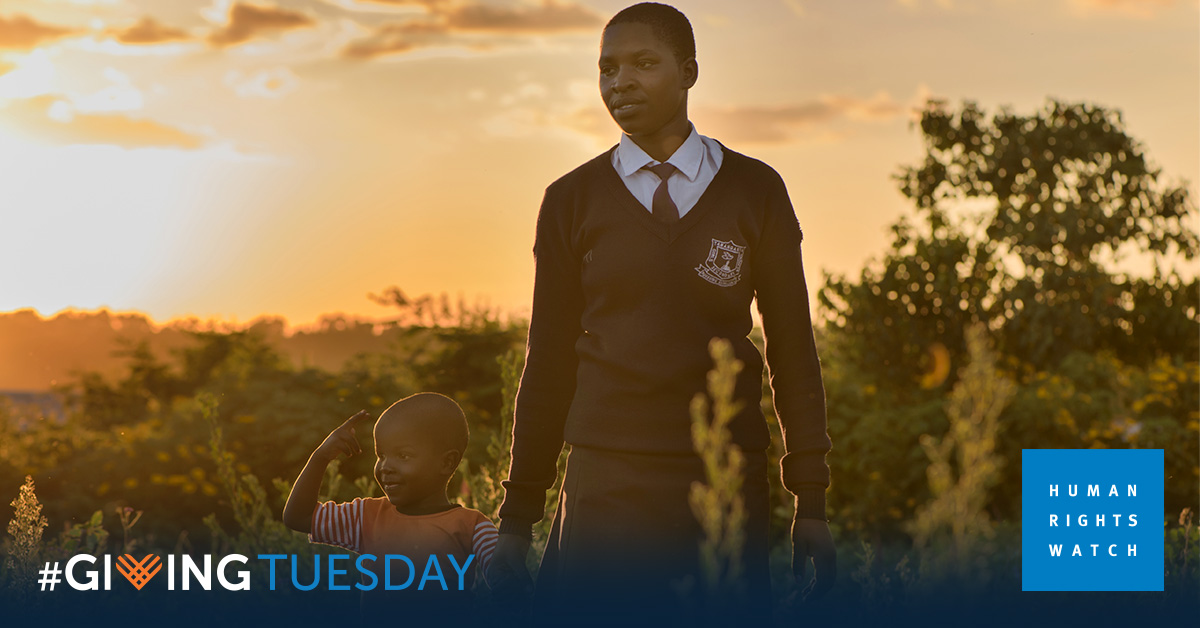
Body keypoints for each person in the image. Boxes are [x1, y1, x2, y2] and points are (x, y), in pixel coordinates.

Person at [489, 2, 836, 622]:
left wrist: (810, 498)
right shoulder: (570, 200)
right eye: (607, 69)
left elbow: (791, 348)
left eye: (643, 63)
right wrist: (518, 514)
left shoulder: (756, 190)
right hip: (605, 478)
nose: (620, 82)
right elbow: (547, 361)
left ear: (689, 72)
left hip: (724, 477)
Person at [282, 393, 499, 620]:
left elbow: (508, 583)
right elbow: (299, 517)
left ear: (447, 462)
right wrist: (320, 457)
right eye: (381, 455)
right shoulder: (366, 516)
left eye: (403, 455)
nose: (385, 467)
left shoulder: (473, 527)